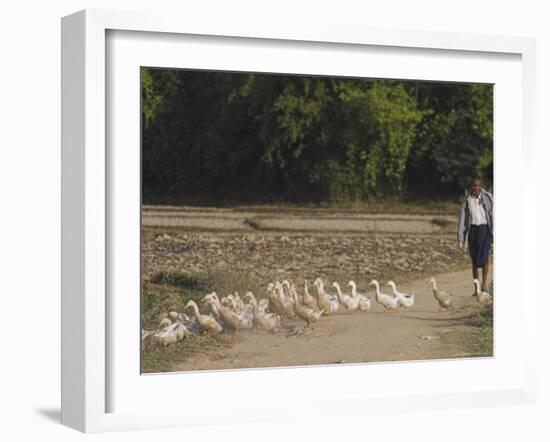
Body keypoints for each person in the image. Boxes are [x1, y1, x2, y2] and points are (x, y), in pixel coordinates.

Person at [457, 175, 493, 294]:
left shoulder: (488, 199)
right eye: (474, 185)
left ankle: (484, 285)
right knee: (474, 261)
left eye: (478, 186)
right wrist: (460, 239)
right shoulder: (467, 201)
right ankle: (476, 288)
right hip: (472, 231)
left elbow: (493, 216)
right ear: (471, 186)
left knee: (485, 258)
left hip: (484, 229)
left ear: (480, 186)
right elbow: (461, 220)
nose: (476, 188)